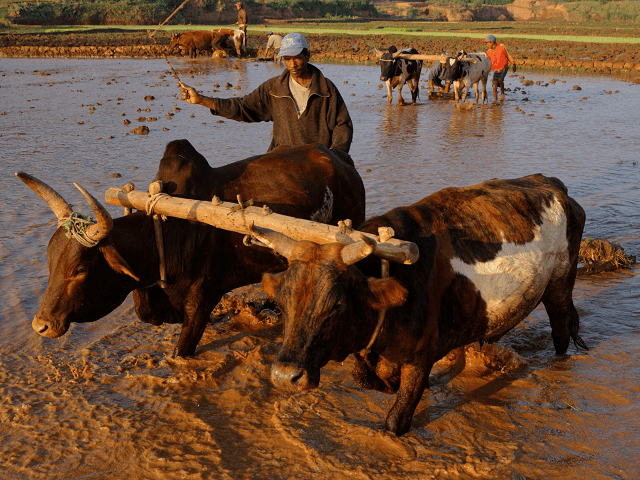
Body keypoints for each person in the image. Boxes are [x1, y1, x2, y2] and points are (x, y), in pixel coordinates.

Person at [179, 32, 353, 153]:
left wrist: (334, 156)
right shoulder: (274, 89)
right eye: (287, 59)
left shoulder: (326, 90)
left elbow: (342, 125)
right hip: (282, 163)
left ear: (308, 56)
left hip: (316, 165)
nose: (292, 65)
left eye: (297, 58)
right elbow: (242, 107)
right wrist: (201, 99)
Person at [482, 34, 516, 103]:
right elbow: (488, 63)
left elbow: (508, 55)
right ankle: (496, 100)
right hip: (496, 70)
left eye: (487, 43)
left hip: (504, 67)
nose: (486, 45)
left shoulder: (501, 46)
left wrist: (513, 63)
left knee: (500, 80)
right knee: (494, 84)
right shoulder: (489, 52)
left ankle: (502, 93)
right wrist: (486, 71)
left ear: (492, 42)